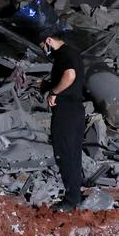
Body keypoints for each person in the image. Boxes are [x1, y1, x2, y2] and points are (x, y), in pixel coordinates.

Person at [40, 27, 86, 211]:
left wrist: (53, 92)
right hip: (76, 110)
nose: (44, 49)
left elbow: (70, 76)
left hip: (66, 110)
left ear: (49, 41)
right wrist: (48, 85)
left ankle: (71, 200)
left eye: (43, 45)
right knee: (73, 154)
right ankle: (75, 195)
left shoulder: (63, 54)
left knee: (64, 153)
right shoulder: (73, 53)